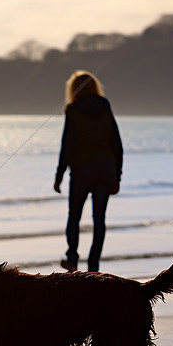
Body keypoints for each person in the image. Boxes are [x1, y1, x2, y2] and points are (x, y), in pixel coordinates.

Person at [54, 70, 123, 272]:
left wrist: (59, 176)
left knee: (74, 216)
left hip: (82, 171)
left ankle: (72, 259)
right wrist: (117, 175)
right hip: (105, 170)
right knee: (99, 219)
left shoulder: (73, 109)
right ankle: (94, 266)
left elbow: (67, 146)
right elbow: (116, 143)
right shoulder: (105, 107)